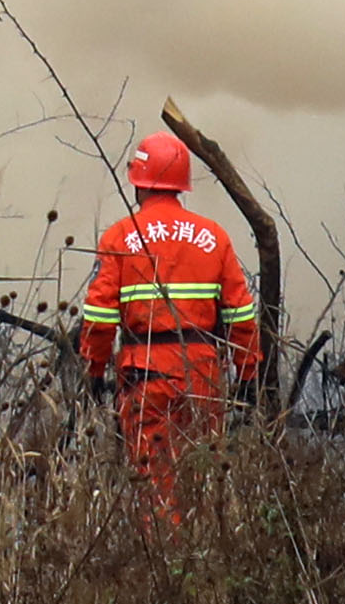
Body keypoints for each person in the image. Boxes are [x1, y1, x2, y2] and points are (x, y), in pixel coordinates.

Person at [73, 127, 260, 513]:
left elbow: (99, 315)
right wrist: (248, 376)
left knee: (156, 487)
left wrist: (93, 371)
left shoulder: (120, 238)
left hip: (147, 378)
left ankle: (164, 566)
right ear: (181, 185)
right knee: (205, 477)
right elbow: (241, 314)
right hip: (203, 376)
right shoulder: (215, 237)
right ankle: (207, 557)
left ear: (138, 183)